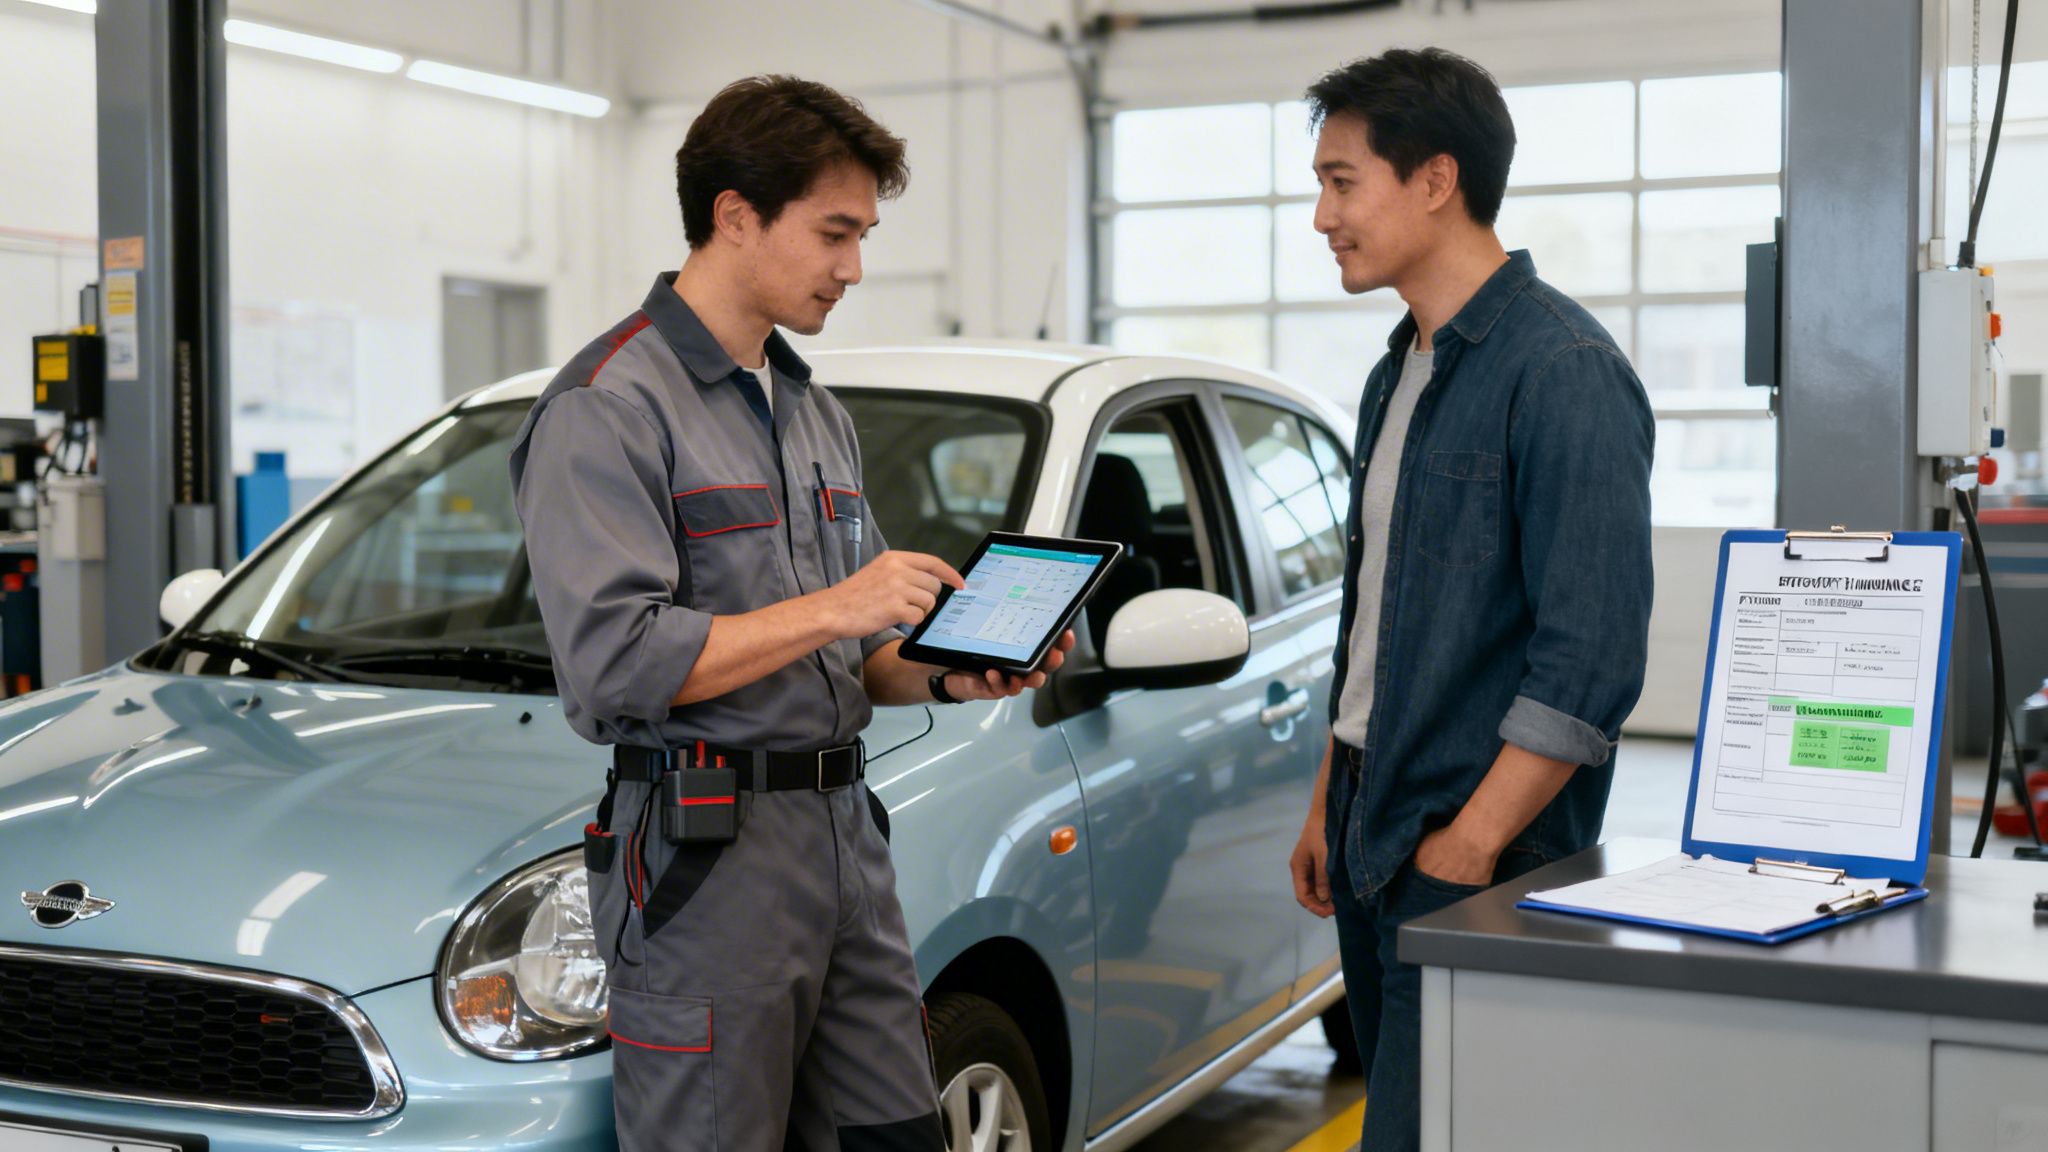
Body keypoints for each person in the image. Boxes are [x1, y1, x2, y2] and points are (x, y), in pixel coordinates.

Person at [509, 74, 1070, 1152]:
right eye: (833, 232)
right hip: (704, 865)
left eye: (862, 234)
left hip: (843, 846)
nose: (853, 267)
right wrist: (837, 607)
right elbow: (613, 666)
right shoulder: (607, 407)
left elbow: (853, 655)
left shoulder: (812, 410)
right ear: (733, 216)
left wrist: (952, 668)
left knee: (895, 1135)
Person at [1284, 48, 1654, 1150]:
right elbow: (1374, 614)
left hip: (1476, 841)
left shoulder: (1562, 369)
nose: (1320, 216)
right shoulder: (1396, 368)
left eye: (1341, 181)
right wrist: (1325, 796)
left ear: (1434, 180)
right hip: (1368, 818)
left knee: (1436, 1134)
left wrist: (1471, 841)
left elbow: (1588, 656)